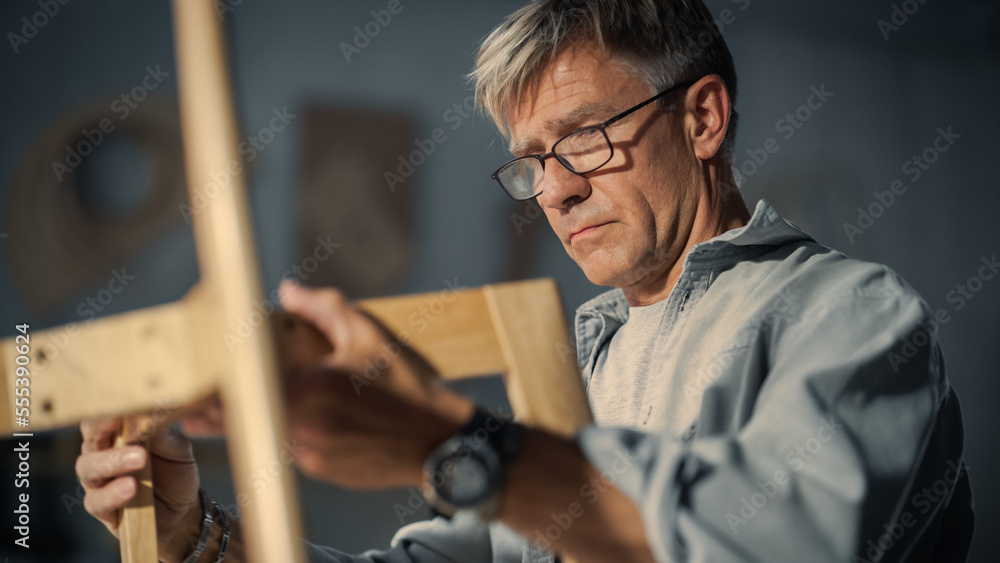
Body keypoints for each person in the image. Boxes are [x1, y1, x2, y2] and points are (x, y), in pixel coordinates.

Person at [75, 1, 975, 562]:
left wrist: (452, 444)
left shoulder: (849, 313)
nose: (555, 188)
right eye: (530, 162)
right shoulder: (571, 361)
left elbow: (770, 545)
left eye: (583, 136)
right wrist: (194, 533)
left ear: (702, 118)